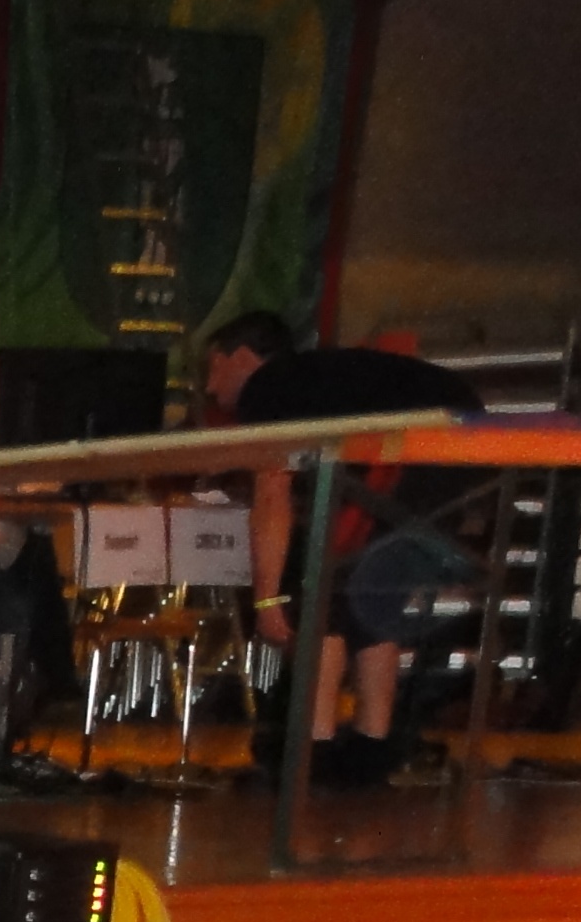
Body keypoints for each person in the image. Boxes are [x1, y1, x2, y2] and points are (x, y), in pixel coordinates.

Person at [200, 309, 482, 782]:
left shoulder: (269, 387)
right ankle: (371, 750)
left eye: (215, 366)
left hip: (416, 444)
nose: (210, 386)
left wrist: (266, 600)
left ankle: (310, 751)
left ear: (244, 358)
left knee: (323, 594)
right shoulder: (323, 382)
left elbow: (271, 495)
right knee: (371, 599)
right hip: (465, 449)